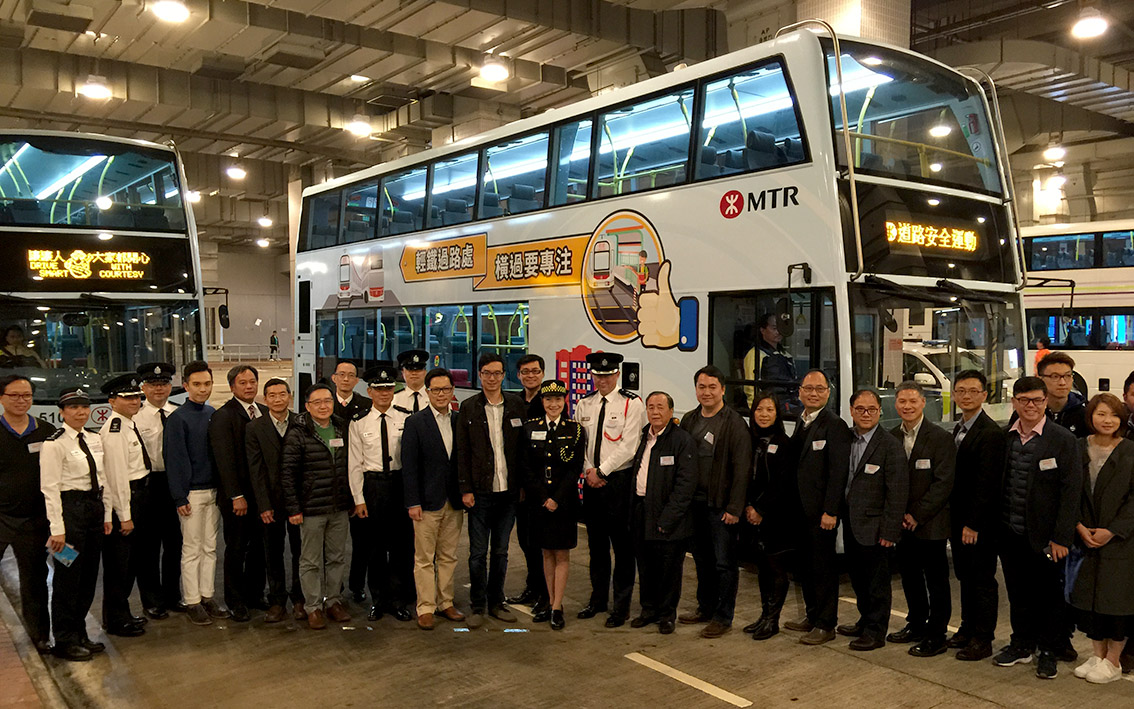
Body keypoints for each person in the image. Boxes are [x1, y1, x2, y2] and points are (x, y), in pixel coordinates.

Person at [994, 376, 1083, 680]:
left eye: (1037, 400)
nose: (1030, 406)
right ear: (1015, 402)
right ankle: (1021, 644)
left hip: (1047, 541)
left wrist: (1061, 537)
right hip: (1010, 534)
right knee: (1018, 594)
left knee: (1048, 596)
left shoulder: (1062, 440)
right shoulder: (1005, 436)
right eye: (1024, 400)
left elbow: (1071, 492)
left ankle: (1048, 649)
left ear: (1045, 402)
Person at [39, 388, 113, 661]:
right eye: (73, 408)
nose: (81, 412)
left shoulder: (94, 439)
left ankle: (79, 631)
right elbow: (50, 488)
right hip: (69, 515)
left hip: (93, 510)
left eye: (84, 407)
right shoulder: (54, 444)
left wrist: (105, 517)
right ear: (62, 412)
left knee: (88, 575)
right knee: (67, 577)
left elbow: (103, 477)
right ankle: (64, 639)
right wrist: (56, 529)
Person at [678, 365, 751, 639]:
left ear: (723, 389)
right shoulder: (689, 419)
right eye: (701, 387)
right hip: (694, 505)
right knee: (701, 560)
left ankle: (723, 616)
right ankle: (705, 607)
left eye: (711, 387)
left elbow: (742, 469)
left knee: (724, 563)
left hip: (721, 507)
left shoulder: (734, 423)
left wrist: (734, 508)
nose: (706, 392)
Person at [574, 352, 646, 627]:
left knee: (623, 548)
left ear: (617, 374)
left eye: (607, 375)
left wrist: (601, 471)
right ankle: (598, 599)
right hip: (592, 482)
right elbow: (578, 443)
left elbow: (629, 446)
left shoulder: (632, 403)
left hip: (618, 483)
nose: (602, 379)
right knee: (596, 546)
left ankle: (622, 605)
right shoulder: (584, 404)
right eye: (598, 375)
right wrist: (589, 472)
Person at [456, 352, 527, 627]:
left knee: (500, 552)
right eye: (487, 373)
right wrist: (465, 489)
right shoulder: (469, 407)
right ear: (480, 375)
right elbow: (462, 452)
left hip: (508, 493)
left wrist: (520, 486)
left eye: (498, 373)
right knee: (476, 553)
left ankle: (497, 602)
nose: (493, 378)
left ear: (503, 375)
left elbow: (522, 451)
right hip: (480, 493)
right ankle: (477, 606)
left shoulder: (516, 405)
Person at [281, 383, 358, 630]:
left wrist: (353, 499)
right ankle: (313, 606)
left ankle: (333, 601)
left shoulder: (341, 427)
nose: (324, 406)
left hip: (338, 507)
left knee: (336, 557)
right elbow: (288, 474)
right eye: (317, 402)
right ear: (306, 406)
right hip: (311, 509)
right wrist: (293, 509)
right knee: (310, 560)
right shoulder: (298, 432)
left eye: (327, 401)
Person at [836, 389, 908, 651]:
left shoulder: (890, 446)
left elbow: (897, 493)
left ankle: (876, 632)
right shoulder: (846, 439)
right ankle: (864, 620)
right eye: (860, 409)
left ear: (880, 411)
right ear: (852, 410)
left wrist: (890, 532)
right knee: (858, 579)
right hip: (852, 525)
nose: (866, 414)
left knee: (877, 583)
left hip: (876, 529)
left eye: (872, 410)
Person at [888, 381, 956, 657]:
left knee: (936, 581)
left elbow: (943, 483)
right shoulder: (891, 436)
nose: (907, 406)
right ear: (896, 404)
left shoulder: (940, 438)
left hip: (931, 524)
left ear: (923, 403)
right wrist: (899, 516)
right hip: (901, 525)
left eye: (912, 401)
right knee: (910, 578)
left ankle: (937, 634)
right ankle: (915, 623)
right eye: (902, 401)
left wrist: (917, 514)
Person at [1069, 393, 1134, 684]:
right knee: (1089, 600)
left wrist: (1113, 530)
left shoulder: (1131, 451)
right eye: (1101, 414)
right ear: (1090, 417)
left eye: (1114, 415)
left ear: (1121, 419)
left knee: (1116, 602)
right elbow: (1068, 492)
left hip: (1121, 540)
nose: (1107, 421)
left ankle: (1114, 661)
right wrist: (1079, 526)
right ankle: (1096, 654)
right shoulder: (1078, 447)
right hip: (1086, 537)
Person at [784, 369, 851, 646]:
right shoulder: (802, 420)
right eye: (808, 388)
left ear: (828, 392)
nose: (813, 393)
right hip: (800, 511)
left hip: (821, 513)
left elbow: (838, 473)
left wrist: (831, 511)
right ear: (799, 392)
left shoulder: (834, 425)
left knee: (823, 569)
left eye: (819, 389)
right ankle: (812, 616)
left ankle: (826, 623)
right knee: (805, 567)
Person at [949, 370, 1008, 661]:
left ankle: (982, 639)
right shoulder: (959, 427)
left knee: (982, 579)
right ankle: (967, 627)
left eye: (973, 391)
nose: (966, 396)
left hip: (978, 524)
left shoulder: (990, 433)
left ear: (984, 396)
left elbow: (988, 484)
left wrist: (973, 523)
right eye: (961, 391)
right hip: (957, 519)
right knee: (965, 576)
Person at [348, 364, 414, 623]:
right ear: (369, 391)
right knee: (373, 549)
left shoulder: (406, 417)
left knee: (400, 548)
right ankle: (377, 600)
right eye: (379, 389)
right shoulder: (359, 421)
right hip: (372, 487)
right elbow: (354, 463)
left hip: (399, 485)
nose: (384, 393)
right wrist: (358, 499)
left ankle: (398, 600)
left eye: (388, 388)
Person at [165, 361, 229, 626]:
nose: (203, 389)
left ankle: (207, 595)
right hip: (191, 494)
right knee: (191, 549)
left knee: (211, 547)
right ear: (186, 386)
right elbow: (175, 461)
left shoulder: (212, 413)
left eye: (207, 384)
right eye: (197, 384)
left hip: (213, 491)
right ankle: (192, 600)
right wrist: (180, 497)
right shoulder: (178, 419)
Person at [402, 367, 466, 630]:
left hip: (454, 501)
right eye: (436, 389)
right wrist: (413, 502)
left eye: (446, 389)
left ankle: (445, 603)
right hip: (426, 503)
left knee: (449, 556)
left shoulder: (460, 420)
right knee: (424, 558)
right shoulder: (415, 422)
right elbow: (410, 466)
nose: (441, 394)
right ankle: (425, 607)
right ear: (427, 392)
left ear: (453, 391)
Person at [629, 391, 696, 635]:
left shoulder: (681, 440)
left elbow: (685, 485)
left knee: (669, 571)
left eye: (660, 407)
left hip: (669, 519)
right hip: (641, 512)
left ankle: (667, 615)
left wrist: (667, 519)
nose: (654, 412)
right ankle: (648, 610)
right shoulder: (643, 437)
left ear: (670, 411)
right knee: (646, 567)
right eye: (650, 407)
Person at [522, 380, 586, 630]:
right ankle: (549, 601)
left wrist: (556, 498)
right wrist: (542, 497)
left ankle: (558, 606)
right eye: (549, 400)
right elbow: (526, 467)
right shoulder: (530, 428)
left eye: (558, 399)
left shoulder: (575, 430)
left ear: (564, 401)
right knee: (546, 552)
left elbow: (575, 468)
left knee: (561, 553)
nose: (553, 404)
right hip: (539, 503)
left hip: (564, 503)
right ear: (542, 402)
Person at [0, 375, 56, 654]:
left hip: (34, 520)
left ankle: (40, 636)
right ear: (2, 398)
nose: (21, 401)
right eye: (14, 396)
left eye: (26, 395)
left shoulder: (45, 431)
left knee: (34, 579)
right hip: (1, 518)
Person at [209, 363, 269, 622]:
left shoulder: (265, 412)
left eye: (252, 382)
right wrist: (236, 495)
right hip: (239, 498)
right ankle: (235, 600)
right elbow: (224, 460)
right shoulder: (223, 416)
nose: (248, 386)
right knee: (236, 548)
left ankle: (255, 594)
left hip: (263, 496)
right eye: (243, 383)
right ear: (232, 386)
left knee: (260, 548)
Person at [246, 377, 304, 623]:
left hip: (299, 502)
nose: (278, 399)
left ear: (290, 397)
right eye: (272, 395)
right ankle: (277, 600)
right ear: (265, 398)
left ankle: (300, 599)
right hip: (270, 502)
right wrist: (263, 504)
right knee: (273, 552)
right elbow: (255, 470)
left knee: (302, 552)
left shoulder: (302, 422)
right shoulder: (255, 428)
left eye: (282, 394)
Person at [743, 390, 798, 641]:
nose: (763, 415)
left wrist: (761, 509)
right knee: (762, 568)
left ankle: (773, 620)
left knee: (776, 569)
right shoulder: (751, 440)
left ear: (777, 413)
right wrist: (747, 506)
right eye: (759, 409)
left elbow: (781, 484)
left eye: (769, 410)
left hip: (777, 518)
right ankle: (764, 615)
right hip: (752, 516)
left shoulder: (783, 444)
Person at [98, 373, 150, 638]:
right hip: (125, 501)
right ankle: (116, 620)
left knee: (130, 564)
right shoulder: (114, 431)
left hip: (137, 496)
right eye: (127, 398)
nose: (134, 402)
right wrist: (125, 516)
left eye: (137, 397)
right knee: (120, 565)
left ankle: (123, 613)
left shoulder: (128, 423)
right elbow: (116, 478)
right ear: (112, 401)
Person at [134, 362, 183, 617]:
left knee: (175, 544)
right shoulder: (134, 418)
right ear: (143, 387)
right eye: (153, 385)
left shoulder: (179, 413)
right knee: (149, 547)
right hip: (148, 485)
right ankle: (151, 600)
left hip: (174, 484)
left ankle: (173, 595)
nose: (159, 389)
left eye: (163, 384)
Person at [507, 353, 549, 613]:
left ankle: (546, 593)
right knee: (524, 540)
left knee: (542, 542)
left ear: (542, 373)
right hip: (520, 485)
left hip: (542, 485)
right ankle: (532, 587)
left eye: (535, 371)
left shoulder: (550, 401)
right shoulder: (514, 402)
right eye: (525, 372)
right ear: (519, 375)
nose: (530, 376)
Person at [331, 359, 370, 604]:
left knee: (362, 540)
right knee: (331, 542)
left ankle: (357, 585)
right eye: (341, 374)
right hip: (331, 483)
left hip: (359, 484)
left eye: (351, 375)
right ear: (334, 377)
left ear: (357, 381)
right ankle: (333, 587)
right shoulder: (324, 403)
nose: (346, 379)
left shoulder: (366, 405)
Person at [743, 313, 798, 408]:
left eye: (780, 328)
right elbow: (750, 388)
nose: (778, 332)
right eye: (774, 328)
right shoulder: (755, 354)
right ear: (762, 330)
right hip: (768, 405)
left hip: (788, 402)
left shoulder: (786, 355)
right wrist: (756, 409)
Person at [1037, 351, 1087, 437]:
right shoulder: (1031, 412)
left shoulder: (1085, 414)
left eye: (1067, 376)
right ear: (1041, 379)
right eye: (1055, 376)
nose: (1062, 383)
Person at [393, 349, 430, 414]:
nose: (414, 373)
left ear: (425, 372)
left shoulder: (435, 398)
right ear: (403, 372)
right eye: (410, 369)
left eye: (418, 369)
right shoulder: (394, 399)